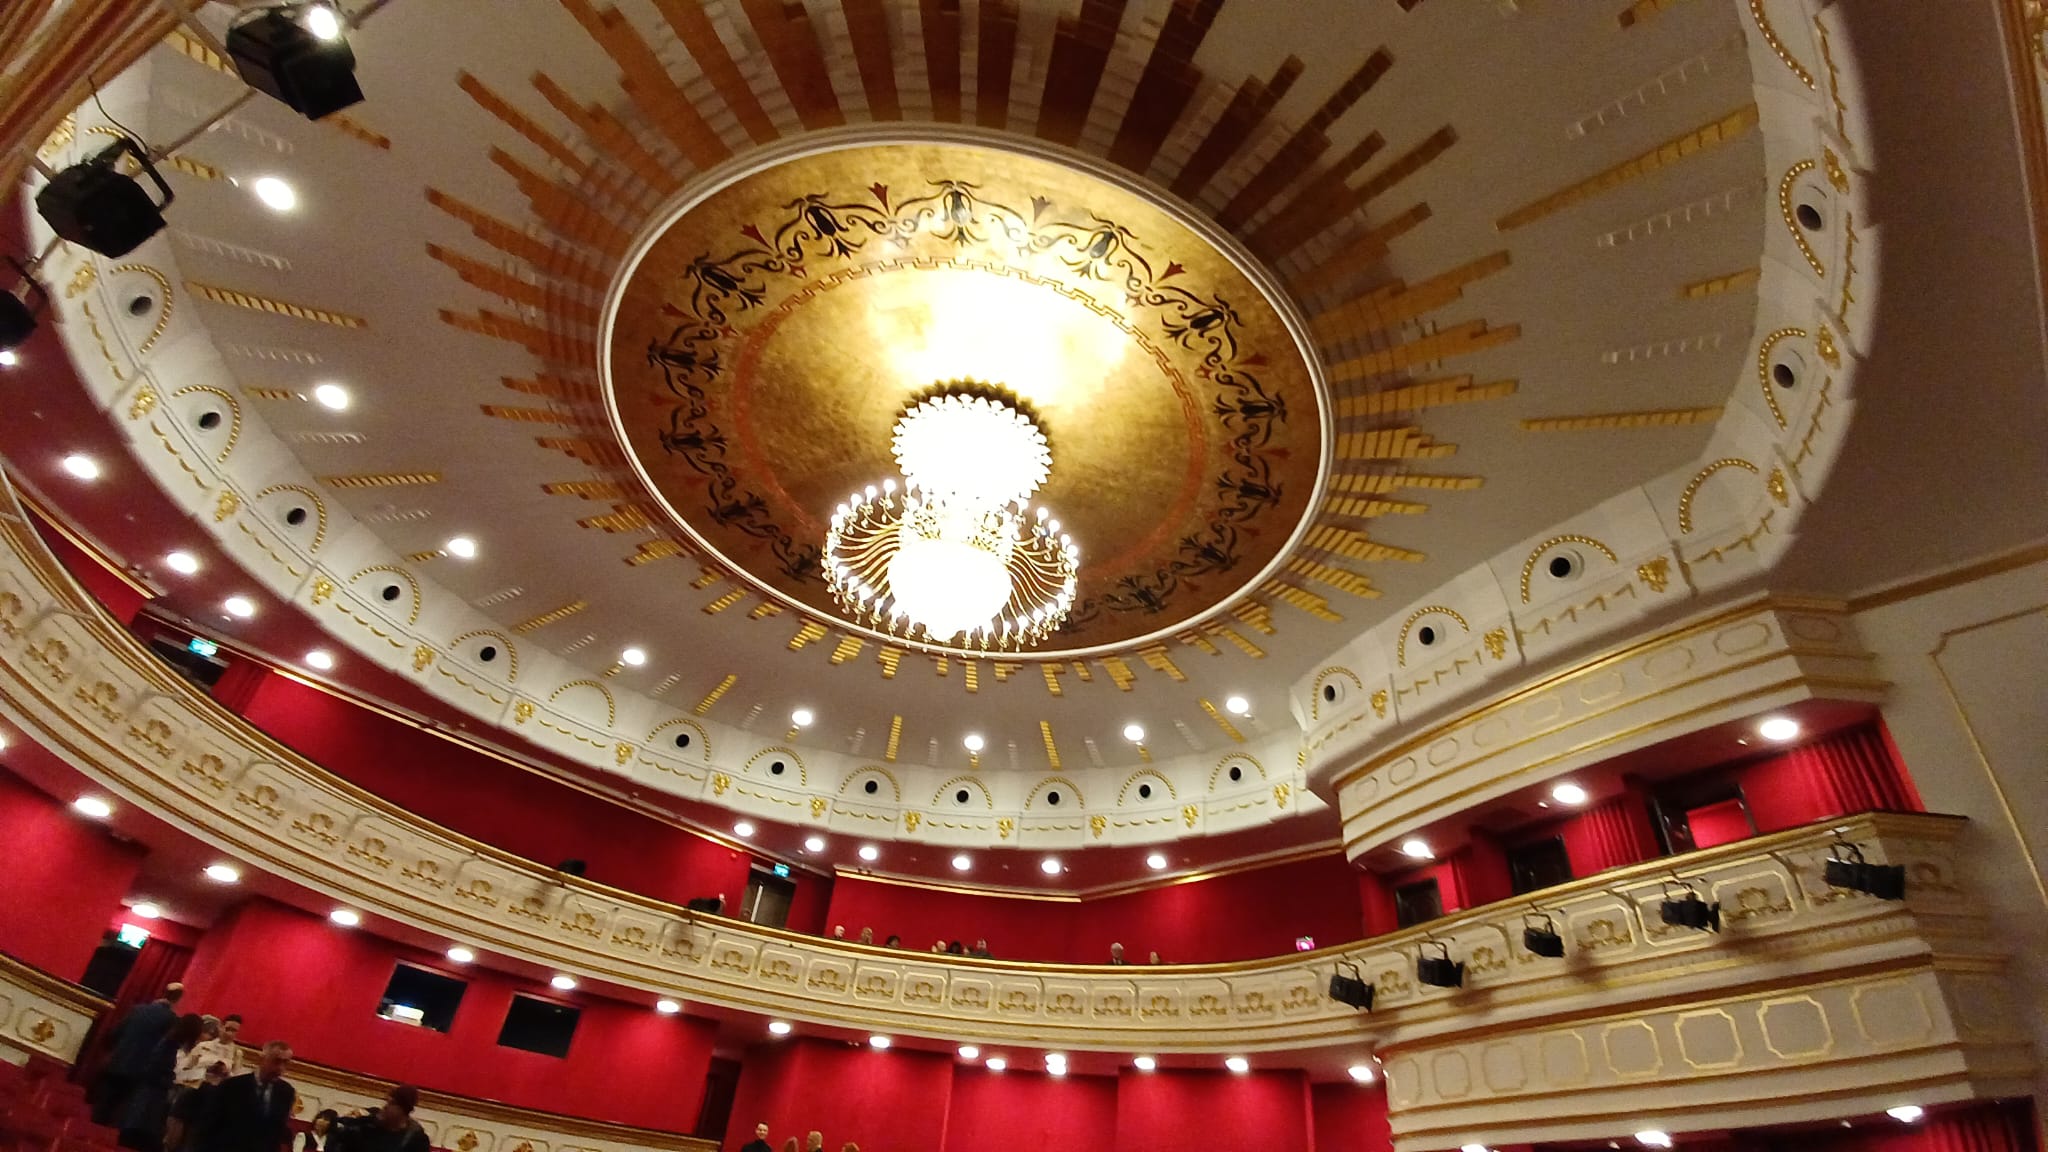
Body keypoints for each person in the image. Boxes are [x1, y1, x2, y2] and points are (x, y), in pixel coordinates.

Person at [96, 983, 185, 1124]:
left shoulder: (138, 1009)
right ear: (178, 999)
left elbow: (117, 1033)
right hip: (140, 1070)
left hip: (118, 1060)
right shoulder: (171, 1019)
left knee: (102, 1106)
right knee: (118, 1115)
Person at [119, 1012, 204, 1150]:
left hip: (148, 1098)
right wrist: (172, 1079)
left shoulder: (170, 1043)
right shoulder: (169, 1046)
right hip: (149, 1099)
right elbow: (154, 1070)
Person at [192, 1040, 296, 1152]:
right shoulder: (232, 1086)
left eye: (286, 1063)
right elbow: (208, 1126)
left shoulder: (286, 1092)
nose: (280, 1068)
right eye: (276, 1061)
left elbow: (276, 1134)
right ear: (261, 1059)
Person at [345, 1084, 430, 1152]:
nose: (385, 1107)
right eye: (387, 1102)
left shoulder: (416, 1140)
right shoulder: (369, 1121)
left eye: (392, 1104)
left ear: (403, 1111)